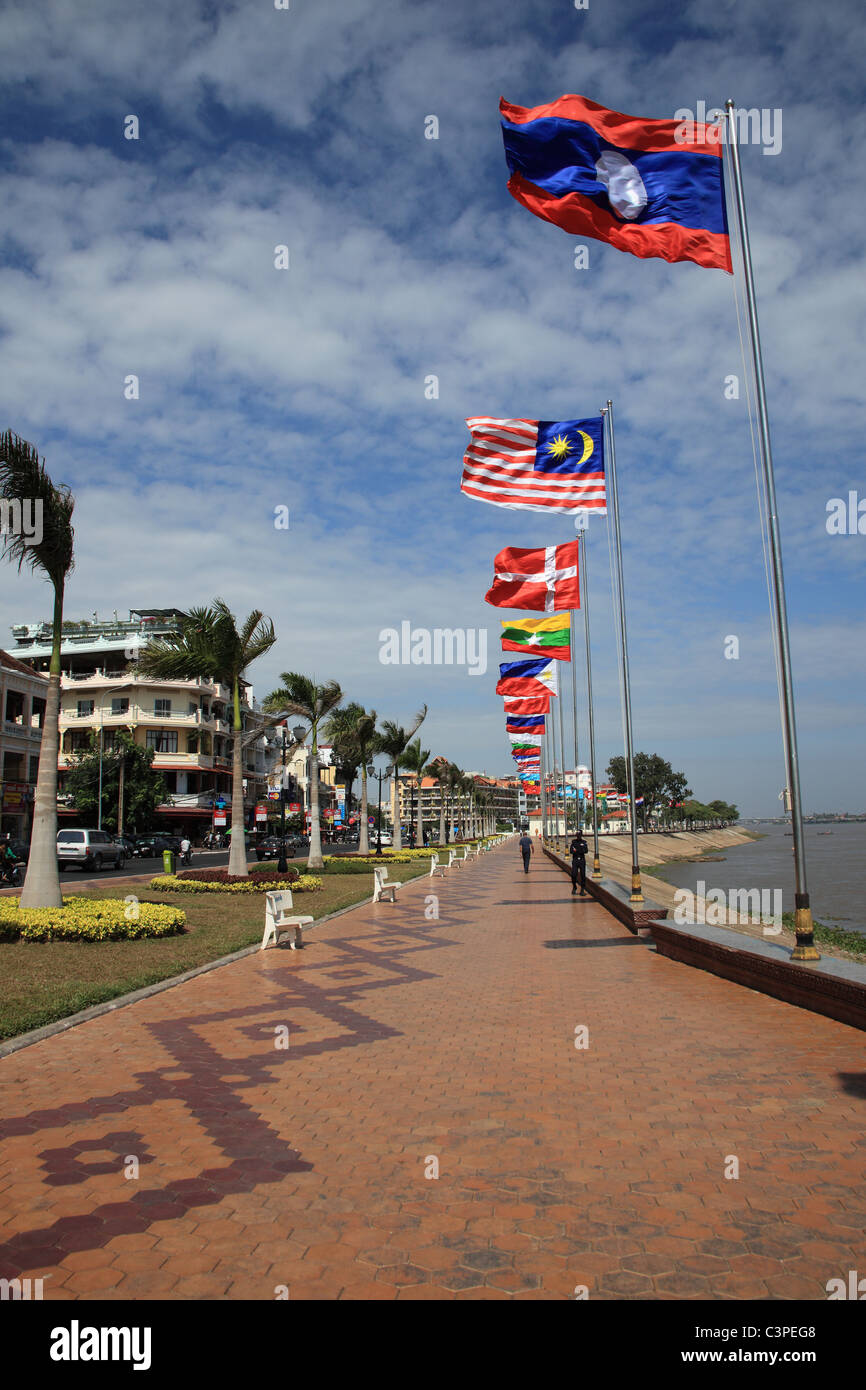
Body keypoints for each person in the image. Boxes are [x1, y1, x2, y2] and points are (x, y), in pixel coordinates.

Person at [569, 831, 589, 896]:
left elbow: (586, 850)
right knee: (573, 874)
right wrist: (579, 850)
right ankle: (574, 887)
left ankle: (582, 889)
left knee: (583, 875)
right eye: (577, 835)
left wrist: (577, 850)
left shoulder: (584, 842)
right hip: (575, 860)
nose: (578, 836)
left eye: (579, 835)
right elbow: (571, 851)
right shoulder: (573, 842)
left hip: (582, 860)